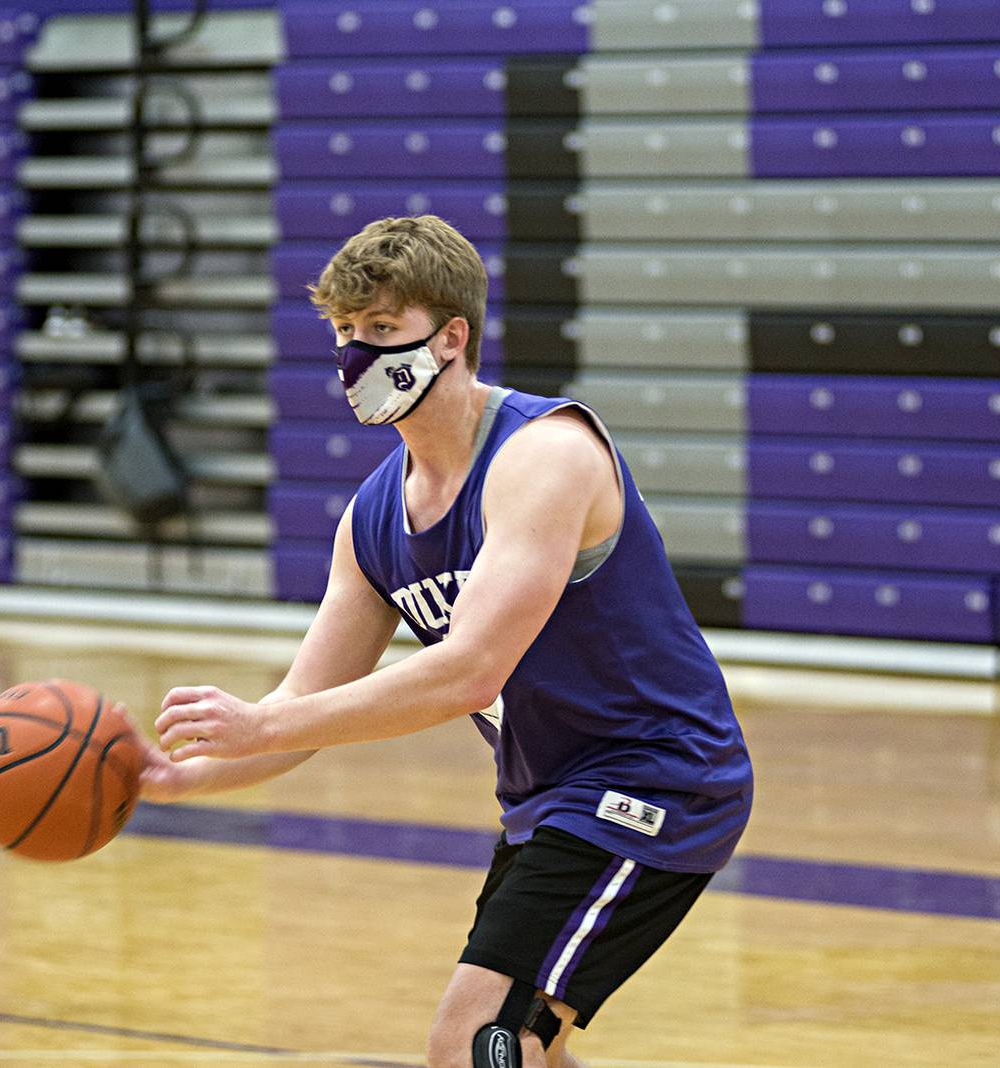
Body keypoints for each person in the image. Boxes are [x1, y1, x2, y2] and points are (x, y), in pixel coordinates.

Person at [137, 216, 753, 1068]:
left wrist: (267, 727)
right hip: (547, 799)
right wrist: (172, 778)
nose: (356, 355)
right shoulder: (372, 521)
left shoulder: (546, 456)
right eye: (345, 332)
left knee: (477, 1040)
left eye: (382, 330)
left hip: (655, 779)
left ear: (451, 336)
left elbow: (467, 672)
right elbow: (297, 711)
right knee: (522, 1043)